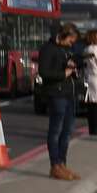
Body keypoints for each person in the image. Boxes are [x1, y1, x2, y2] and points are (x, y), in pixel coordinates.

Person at [36, 24, 81, 180]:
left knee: (67, 131)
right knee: (55, 131)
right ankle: (55, 165)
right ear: (63, 35)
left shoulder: (64, 50)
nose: (71, 44)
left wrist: (72, 69)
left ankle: (62, 164)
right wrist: (64, 73)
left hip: (69, 93)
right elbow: (44, 72)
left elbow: (65, 68)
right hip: (56, 94)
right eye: (70, 40)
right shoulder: (47, 49)